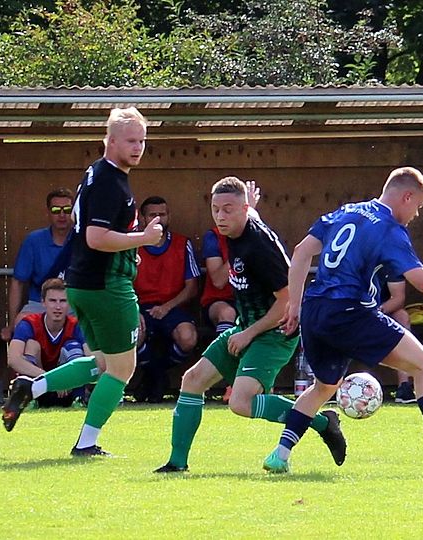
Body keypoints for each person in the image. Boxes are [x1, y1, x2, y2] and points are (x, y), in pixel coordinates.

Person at [262, 166, 423, 474]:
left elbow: (302, 252)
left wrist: (294, 305)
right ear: (407, 196)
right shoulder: (388, 228)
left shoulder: (346, 211)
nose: (415, 215)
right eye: (418, 206)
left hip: (315, 310)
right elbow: (422, 281)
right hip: (349, 312)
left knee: (324, 386)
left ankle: (279, 455)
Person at [2, 107, 164, 457]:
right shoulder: (109, 181)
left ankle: (33, 387)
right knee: (122, 370)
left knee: (102, 363)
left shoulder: (97, 172)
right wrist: (144, 239)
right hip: (107, 288)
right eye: (131, 141)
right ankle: (86, 443)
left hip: (84, 284)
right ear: (111, 140)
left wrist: (127, 251)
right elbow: (95, 237)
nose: (138, 147)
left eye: (142, 141)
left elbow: (93, 236)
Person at [154, 177, 346, 473]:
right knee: (192, 380)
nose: (220, 216)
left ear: (243, 210)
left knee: (241, 403)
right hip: (247, 326)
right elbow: (249, 213)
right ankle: (176, 464)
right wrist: (250, 205)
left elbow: (287, 300)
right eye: (215, 209)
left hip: (275, 332)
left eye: (228, 209)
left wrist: (248, 333)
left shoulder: (259, 246)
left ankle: (321, 422)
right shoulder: (238, 225)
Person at [132, 196, 201, 403]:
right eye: (152, 215)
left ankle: (156, 371)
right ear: (142, 218)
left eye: (162, 214)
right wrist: (134, 309)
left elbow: (192, 287)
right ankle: (155, 374)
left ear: (168, 216)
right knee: (133, 335)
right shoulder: (132, 244)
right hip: (139, 306)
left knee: (188, 338)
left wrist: (166, 307)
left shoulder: (182, 244)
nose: (158, 219)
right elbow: (121, 283)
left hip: (173, 306)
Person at [0, 188, 75, 341]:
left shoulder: (84, 240)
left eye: (67, 210)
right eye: (56, 210)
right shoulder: (33, 241)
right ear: (48, 213)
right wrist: (12, 324)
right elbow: (17, 282)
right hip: (40, 304)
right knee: (22, 323)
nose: (62, 215)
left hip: (74, 304)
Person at [7, 278, 91, 407]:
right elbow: (13, 359)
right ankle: (30, 400)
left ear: (69, 303)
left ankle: (78, 399)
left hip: (68, 388)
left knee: (73, 346)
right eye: (52, 301)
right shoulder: (29, 323)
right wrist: (51, 379)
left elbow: (92, 359)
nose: (58, 307)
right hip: (40, 385)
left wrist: (69, 378)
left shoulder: (77, 325)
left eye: (63, 301)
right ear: (43, 302)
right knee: (32, 345)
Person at [199, 221, 238, 401]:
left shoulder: (261, 235)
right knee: (227, 313)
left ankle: (260, 383)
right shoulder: (213, 237)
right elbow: (218, 281)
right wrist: (239, 250)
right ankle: (229, 378)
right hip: (218, 300)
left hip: (248, 301)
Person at [374, 269, 416, 403]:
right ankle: (329, 385)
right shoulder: (352, 262)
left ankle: (404, 386)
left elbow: (398, 298)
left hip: (379, 312)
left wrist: (377, 312)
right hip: (352, 312)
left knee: (402, 316)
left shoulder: (389, 262)